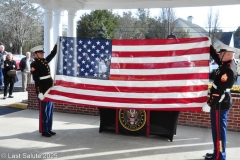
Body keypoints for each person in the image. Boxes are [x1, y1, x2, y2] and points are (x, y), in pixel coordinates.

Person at [202, 45, 237, 160]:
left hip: (219, 104)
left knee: (218, 132)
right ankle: (217, 152)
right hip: (220, 103)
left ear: (228, 55)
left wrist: (209, 104)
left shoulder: (228, 70)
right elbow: (216, 56)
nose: (219, 55)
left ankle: (219, 156)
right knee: (217, 131)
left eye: (222, 54)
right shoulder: (227, 63)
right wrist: (208, 44)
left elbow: (219, 92)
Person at [30, 43, 58, 137]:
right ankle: (44, 130)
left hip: (49, 89)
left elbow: (52, 54)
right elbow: (36, 80)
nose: (42, 54)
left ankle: (49, 128)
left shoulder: (44, 61)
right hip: (43, 90)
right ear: (35, 54)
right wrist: (39, 92)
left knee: (50, 110)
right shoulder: (34, 64)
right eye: (40, 53)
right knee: (44, 111)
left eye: (42, 52)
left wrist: (57, 44)